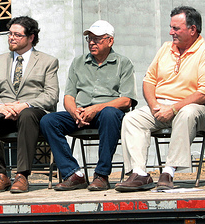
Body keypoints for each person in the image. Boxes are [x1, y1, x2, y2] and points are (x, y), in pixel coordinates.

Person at [116, 6, 205, 192]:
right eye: (171, 27)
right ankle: (139, 174)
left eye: (176, 28)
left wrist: (174, 108)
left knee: (186, 112)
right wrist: (155, 106)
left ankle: (168, 172)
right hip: (162, 107)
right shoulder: (165, 49)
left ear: (192, 29)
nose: (171, 32)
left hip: (199, 109)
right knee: (131, 119)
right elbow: (149, 81)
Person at [40, 20, 137, 191]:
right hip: (81, 113)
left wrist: (96, 109)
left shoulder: (123, 63)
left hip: (107, 116)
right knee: (48, 120)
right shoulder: (78, 63)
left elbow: (126, 100)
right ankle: (73, 174)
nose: (92, 43)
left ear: (110, 41)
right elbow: (69, 96)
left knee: (109, 113)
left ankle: (101, 175)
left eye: (97, 39)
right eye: (89, 39)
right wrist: (74, 111)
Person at [0, 16, 59, 193]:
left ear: (31, 37)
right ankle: (0, 175)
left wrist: (26, 104)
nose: (11, 38)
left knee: (27, 115)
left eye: (16, 34)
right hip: (4, 112)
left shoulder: (48, 61)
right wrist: (0, 106)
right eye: (9, 34)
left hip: (33, 112)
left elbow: (51, 96)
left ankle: (22, 175)